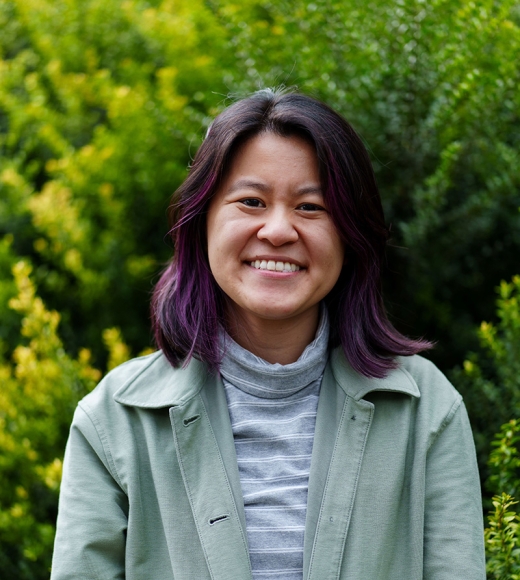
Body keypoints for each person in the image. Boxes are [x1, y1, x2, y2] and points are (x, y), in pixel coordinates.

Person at [51, 89, 485, 579]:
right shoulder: (114, 421)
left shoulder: (426, 409)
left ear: (350, 234)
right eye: (251, 201)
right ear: (202, 222)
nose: (278, 230)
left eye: (311, 207)